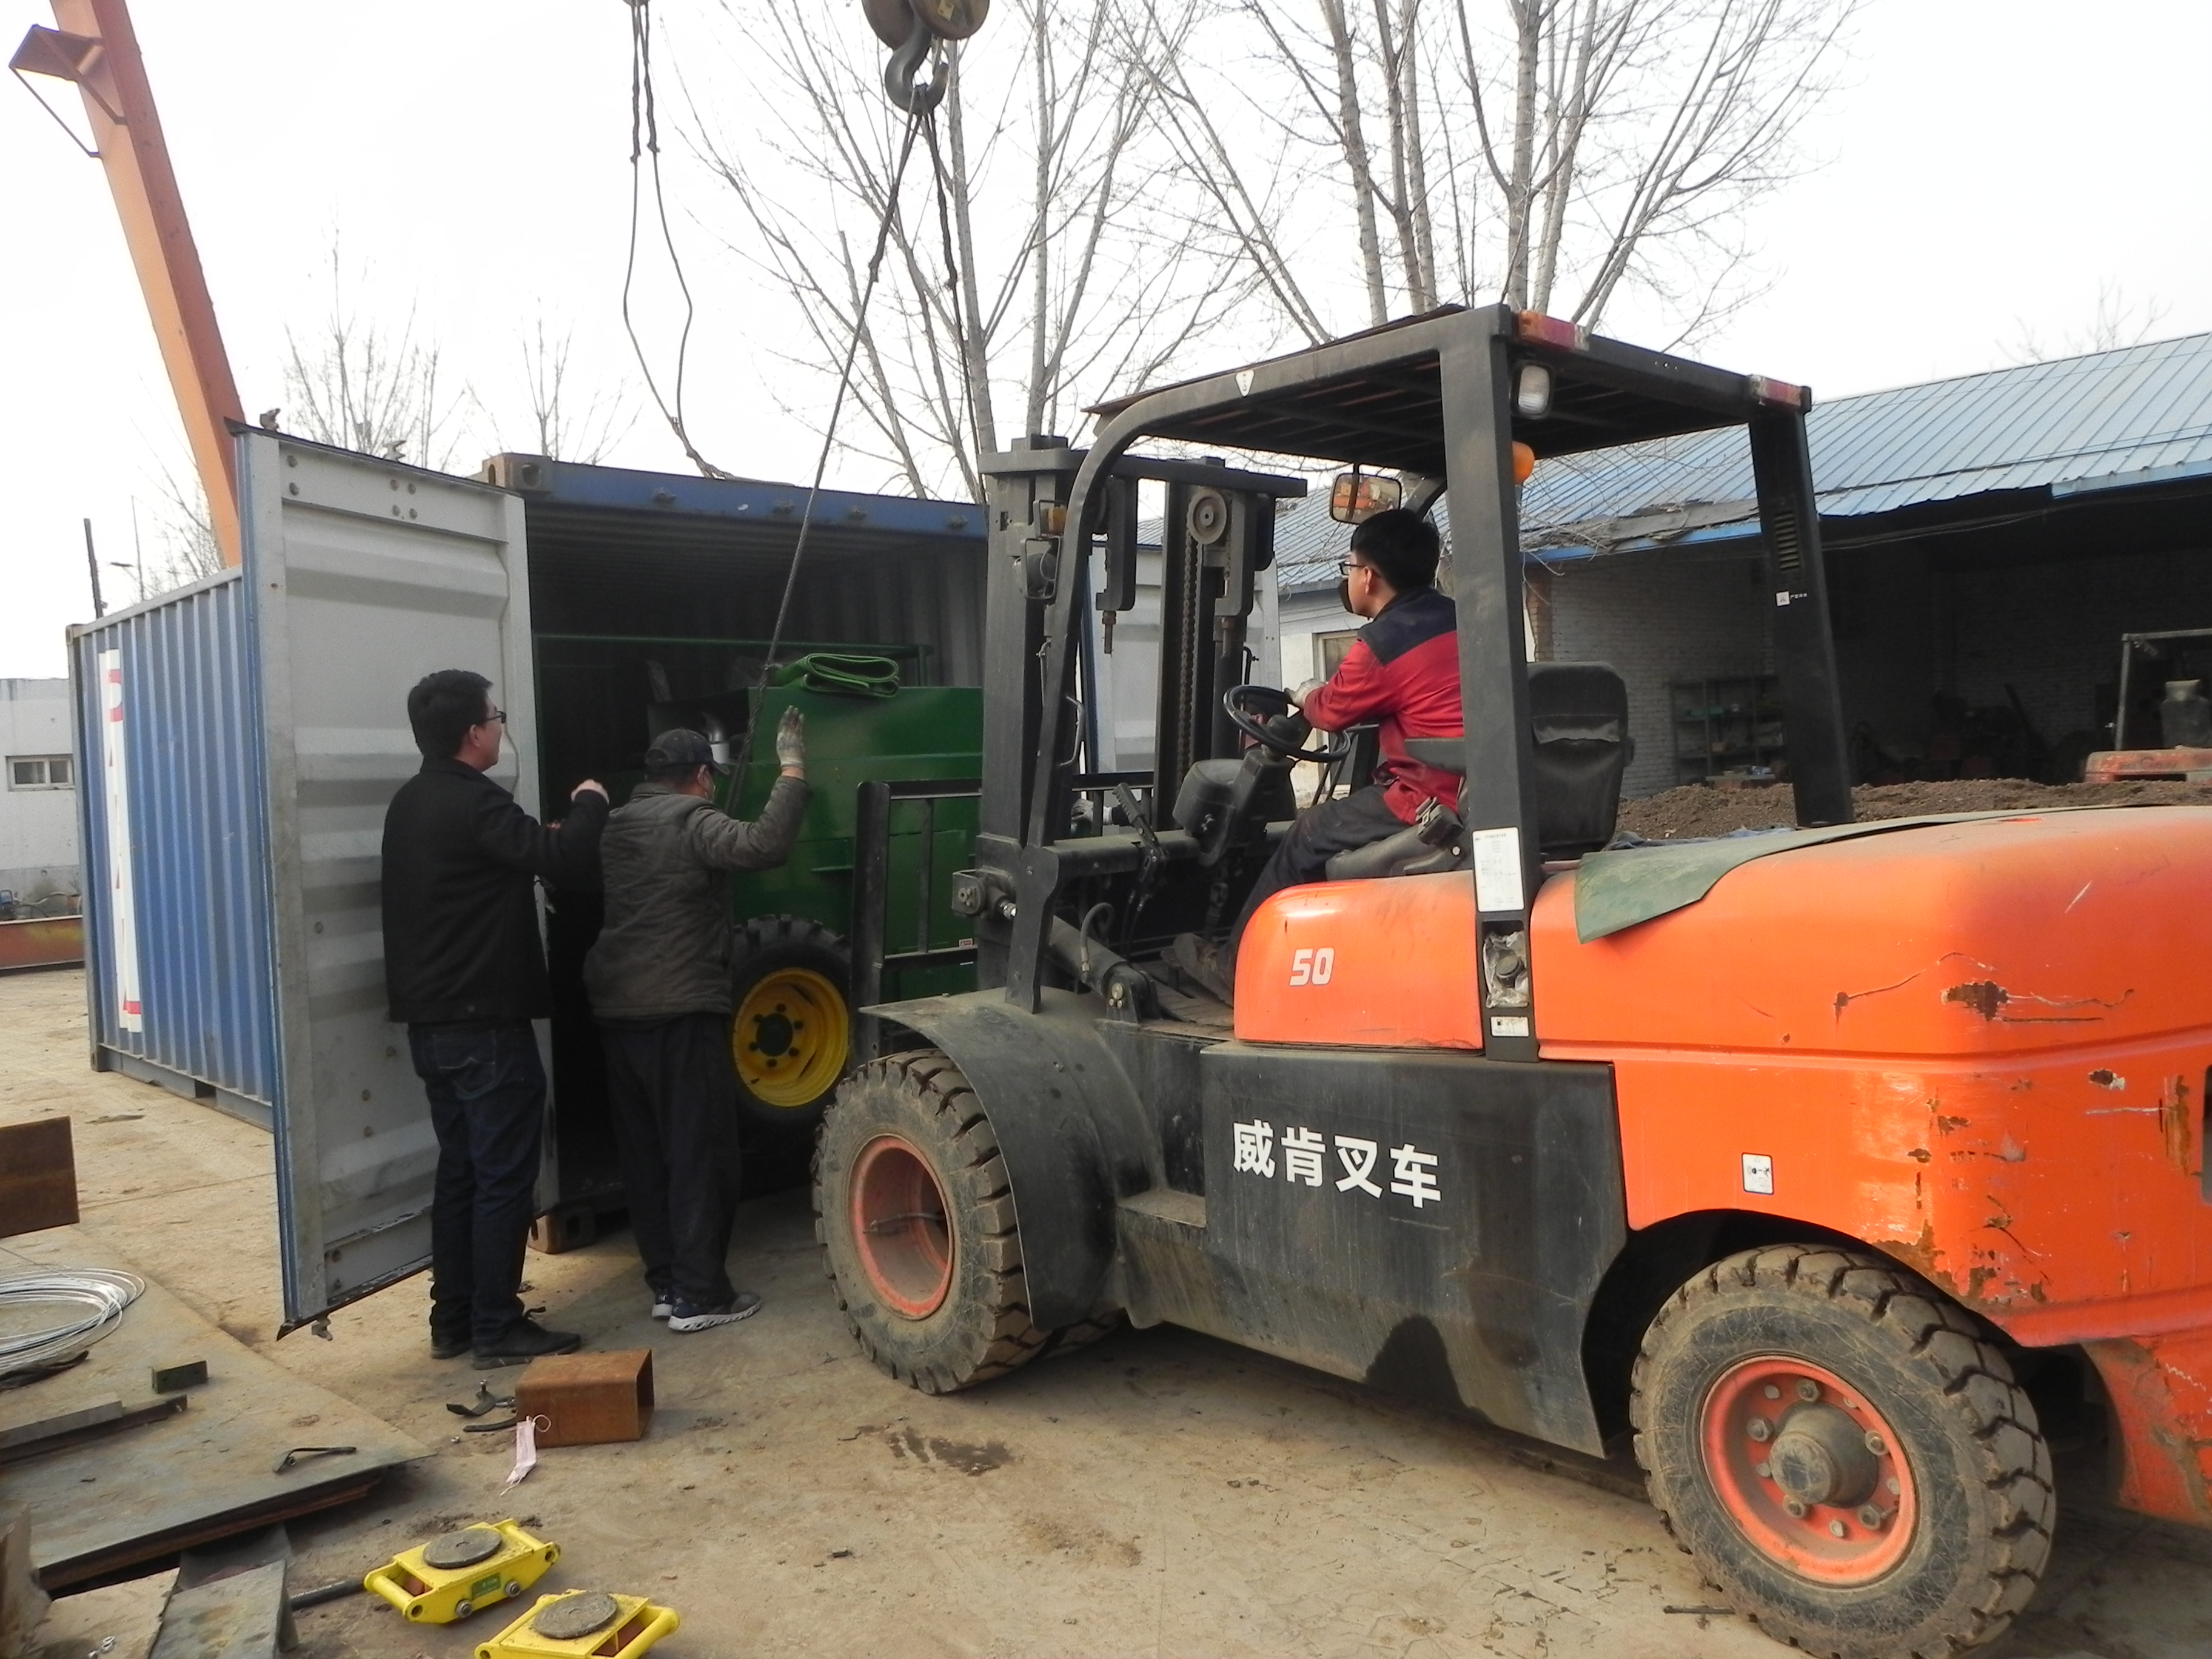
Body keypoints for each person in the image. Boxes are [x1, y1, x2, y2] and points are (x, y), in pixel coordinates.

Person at [383, 669, 609, 1368]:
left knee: (462, 1173)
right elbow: (566, 859)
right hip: (485, 1028)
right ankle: (497, 1328)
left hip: (434, 1028)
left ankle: (452, 1320)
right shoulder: (476, 802)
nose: (501, 727)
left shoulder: (412, 802)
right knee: (505, 1178)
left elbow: (493, 863)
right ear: (473, 732)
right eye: (497, 717)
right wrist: (591, 802)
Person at [1171, 509, 1461, 1003]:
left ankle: (1237, 969)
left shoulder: (1384, 642)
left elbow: (1330, 711)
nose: (1348, 578)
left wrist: (1306, 693)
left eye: (1349, 567)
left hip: (1431, 797)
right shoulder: (1458, 619)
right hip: (1472, 783)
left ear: (1368, 577)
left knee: (1309, 831)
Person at [583, 711, 809, 1333]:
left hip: (618, 1010)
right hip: (680, 1009)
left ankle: (667, 1283)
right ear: (703, 777)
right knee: (699, 1153)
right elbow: (764, 845)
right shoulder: (692, 821)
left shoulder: (615, 825)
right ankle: (701, 1294)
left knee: (647, 1154)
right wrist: (792, 770)